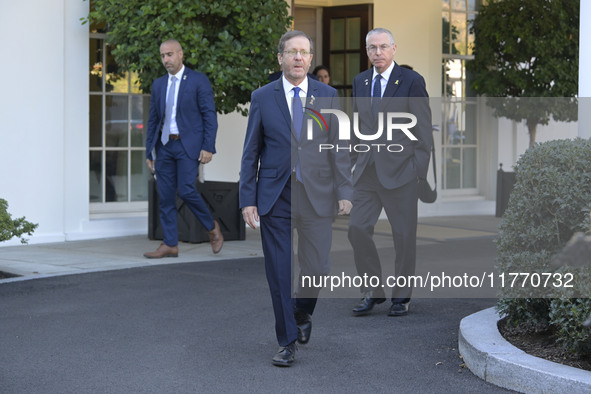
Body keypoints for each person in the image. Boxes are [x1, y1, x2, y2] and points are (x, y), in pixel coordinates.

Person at [239, 30, 353, 367]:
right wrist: (248, 198)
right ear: (281, 58)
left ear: (310, 57)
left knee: (318, 266)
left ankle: (302, 311)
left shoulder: (328, 95)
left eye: (304, 52)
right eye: (292, 52)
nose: (299, 58)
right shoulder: (262, 97)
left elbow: (340, 147)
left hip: (317, 194)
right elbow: (250, 153)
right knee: (279, 270)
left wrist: (345, 190)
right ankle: (286, 340)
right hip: (275, 194)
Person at [348, 28, 432, 317]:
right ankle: (372, 290)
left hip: (401, 173)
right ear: (367, 50)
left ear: (394, 49)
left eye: (383, 47)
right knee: (356, 228)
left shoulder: (411, 81)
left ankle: (402, 297)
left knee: (404, 236)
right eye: (372, 47)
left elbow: (422, 130)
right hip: (367, 172)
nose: (377, 53)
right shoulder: (360, 81)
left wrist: (417, 172)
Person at [144, 39, 223, 258]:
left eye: (169, 54)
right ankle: (170, 243)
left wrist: (208, 147)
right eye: (162, 56)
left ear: (180, 54)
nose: (165, 59)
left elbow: (209, 115)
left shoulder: (198, 80)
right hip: (165, 146)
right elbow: (153, 120)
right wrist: (149, 151)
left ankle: (212, 228)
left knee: (186, 189)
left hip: (188, 145)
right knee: (166, 195)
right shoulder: (159, 84)